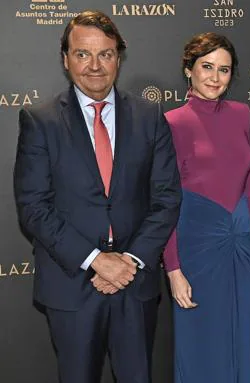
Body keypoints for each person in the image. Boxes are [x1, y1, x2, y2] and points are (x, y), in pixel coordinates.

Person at [13, 10, 181, 383]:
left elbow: (167, 197)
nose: (94, 66)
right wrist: (96, 261)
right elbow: (34, 207)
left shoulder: (150, 116)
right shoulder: (40, 121)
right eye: (82, 54)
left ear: (118, 58)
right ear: (65, 58)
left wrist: (130, 260)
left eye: (105, 54)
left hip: (134, 284)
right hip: (71, 286)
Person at [162, 32, 250, 383]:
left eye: (224, 70)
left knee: (240, 338)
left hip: (240, 246)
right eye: (206, 67)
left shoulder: (242, 114)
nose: (215, 78)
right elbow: (165, 202)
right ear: (188, 70)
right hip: (197, 249)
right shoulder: (172, 122)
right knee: (200, 343)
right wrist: (173, 270)